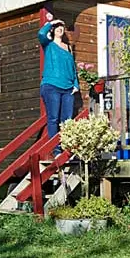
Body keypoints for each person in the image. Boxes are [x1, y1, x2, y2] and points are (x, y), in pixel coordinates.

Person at [38, 12, 79, 156]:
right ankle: (56, 150)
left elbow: (72, 67)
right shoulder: (48, 44)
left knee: (67, 120)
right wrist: (52, 22)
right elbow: (41, 34)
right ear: (53, 30)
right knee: (53, 118)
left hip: (68, 88)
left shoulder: (68, 47)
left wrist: (76, 84)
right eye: (57, 27)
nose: (60, 28)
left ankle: (66, 148)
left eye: (62, 27)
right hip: (51, 86)